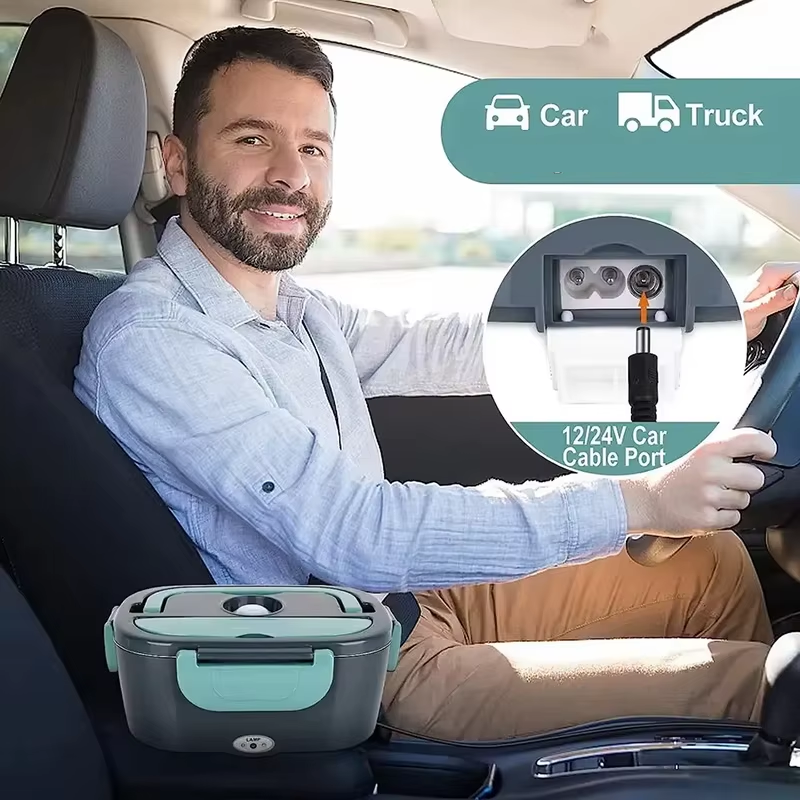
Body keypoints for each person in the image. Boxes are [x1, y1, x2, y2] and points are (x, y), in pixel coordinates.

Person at [73, 25, 794, 741]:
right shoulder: (158, 340)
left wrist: (702, 321)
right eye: (253, 139)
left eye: (314, 146)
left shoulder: (290, 307)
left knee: (710, 562)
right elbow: (354, 533)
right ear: (176, 161)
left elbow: (446, 342)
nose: (292, 172)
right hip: (351, 670)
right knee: (764, 687)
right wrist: (639, 499)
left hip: (399, 606)